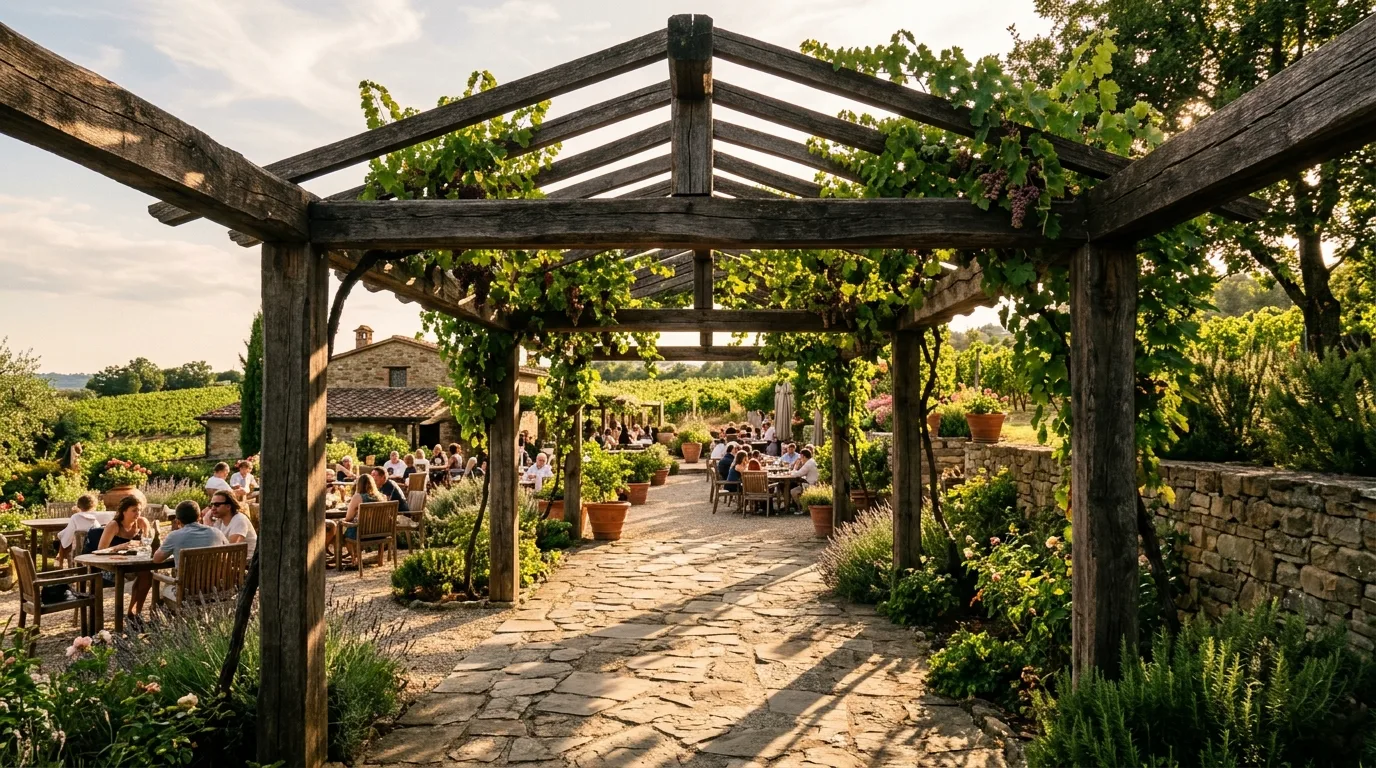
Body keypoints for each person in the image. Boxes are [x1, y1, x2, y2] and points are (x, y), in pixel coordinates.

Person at [91, 494, 154, 625]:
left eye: (139, 510)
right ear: (124, 511)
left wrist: (148, 536)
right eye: (134, 510)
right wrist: (120, 546)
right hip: (111, 567)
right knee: (144, 574)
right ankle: (125, 617)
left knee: (147, 575)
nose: (138, 513)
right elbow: (100, 550)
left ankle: (135, 613)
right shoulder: (114, 525)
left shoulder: (142, 523)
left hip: (133, 564)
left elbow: (148, 544)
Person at [153, 501, 228, 571]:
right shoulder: (217, 533)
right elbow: (228, 555)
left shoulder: (174, 536)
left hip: (186, 585)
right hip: (214, 583)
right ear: (199, 517)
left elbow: (157, 559)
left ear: (178, 520)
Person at [337, 474, 385, 565]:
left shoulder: (358, 497)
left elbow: (348, 518)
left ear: (359, 484)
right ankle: (356, 557)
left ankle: (354, 558)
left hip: (362, 533)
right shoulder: (380, 497)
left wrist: (341, 520)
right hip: (379, 533)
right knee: (350, 527)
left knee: (341, 527)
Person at [56, 493, 108, 568]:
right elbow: (98, 531)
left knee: (63, 538)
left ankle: (60, 563)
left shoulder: (75, 517)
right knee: (64, 536)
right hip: (92, 547)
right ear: (93, 505)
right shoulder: (95, 518)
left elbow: (68, 534)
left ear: (79, 505)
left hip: (77, 549)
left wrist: (60, 536)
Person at [206, 490, 257, 561]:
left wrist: (207, 522)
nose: (213, 508)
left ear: (228, 506)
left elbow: (230, 549)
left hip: (246, 564)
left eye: (217, 505)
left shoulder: (239, 520)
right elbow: (211, 543)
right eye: (211, 505)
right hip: (231, 562)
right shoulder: (219, 521)